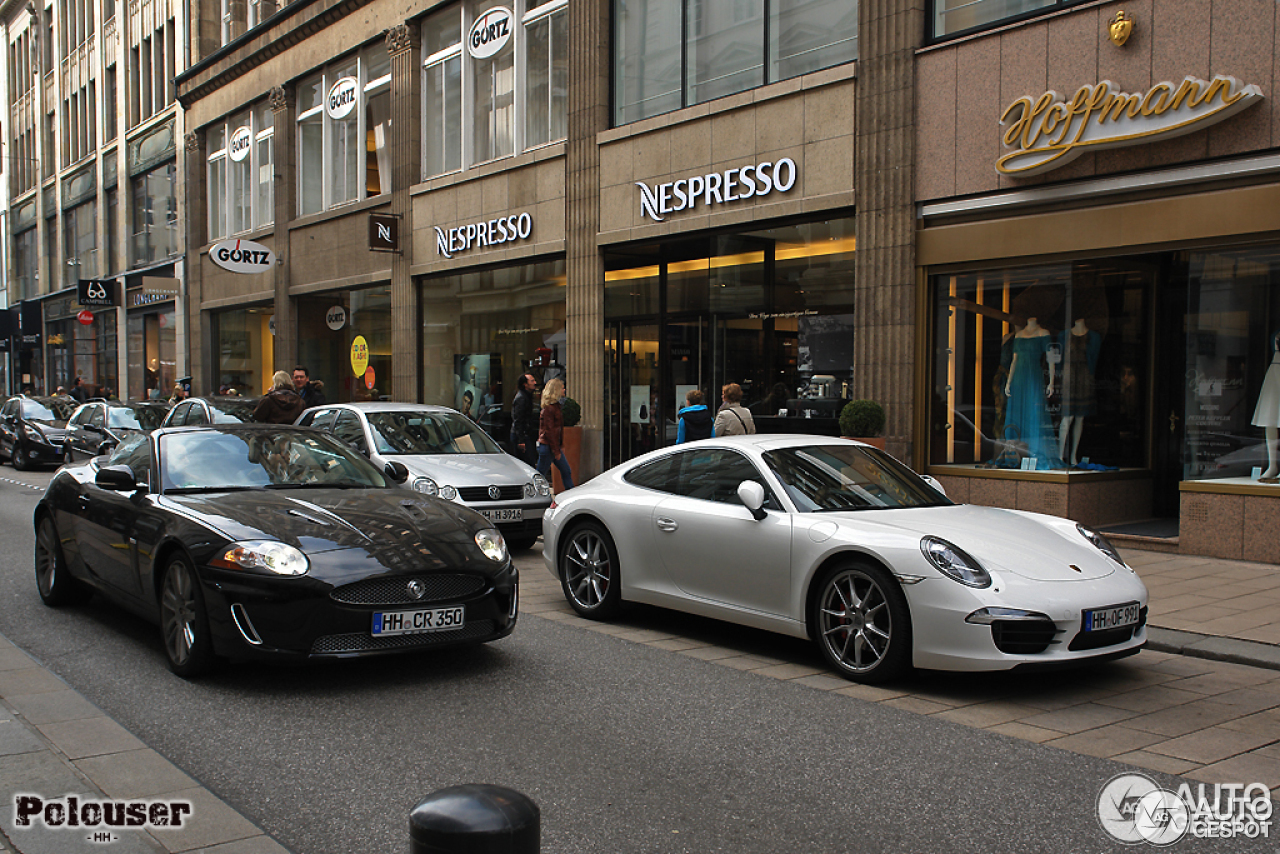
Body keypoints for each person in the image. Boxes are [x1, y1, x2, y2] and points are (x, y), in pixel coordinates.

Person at [536, 377, 574, 490]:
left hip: (550, 446)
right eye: (562, 388)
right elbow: (550, 431)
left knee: (565, 470)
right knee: (540, 475)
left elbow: (555, 430)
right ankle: (533, 493)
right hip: (548, 446)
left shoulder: (555, 407)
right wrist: (556, 450)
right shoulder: (549, 409)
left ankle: (571, 494)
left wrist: (559, 447)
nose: (564, 390)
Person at [510, 373, 540, 465]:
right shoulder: (522, 398)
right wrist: (521, 440)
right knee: (527, 462)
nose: (535, 383)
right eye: (532, 381)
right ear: (525, 384)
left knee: (529, 461)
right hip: (522, 435)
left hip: (524, 434)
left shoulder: (526, 396)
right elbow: (518, 419)